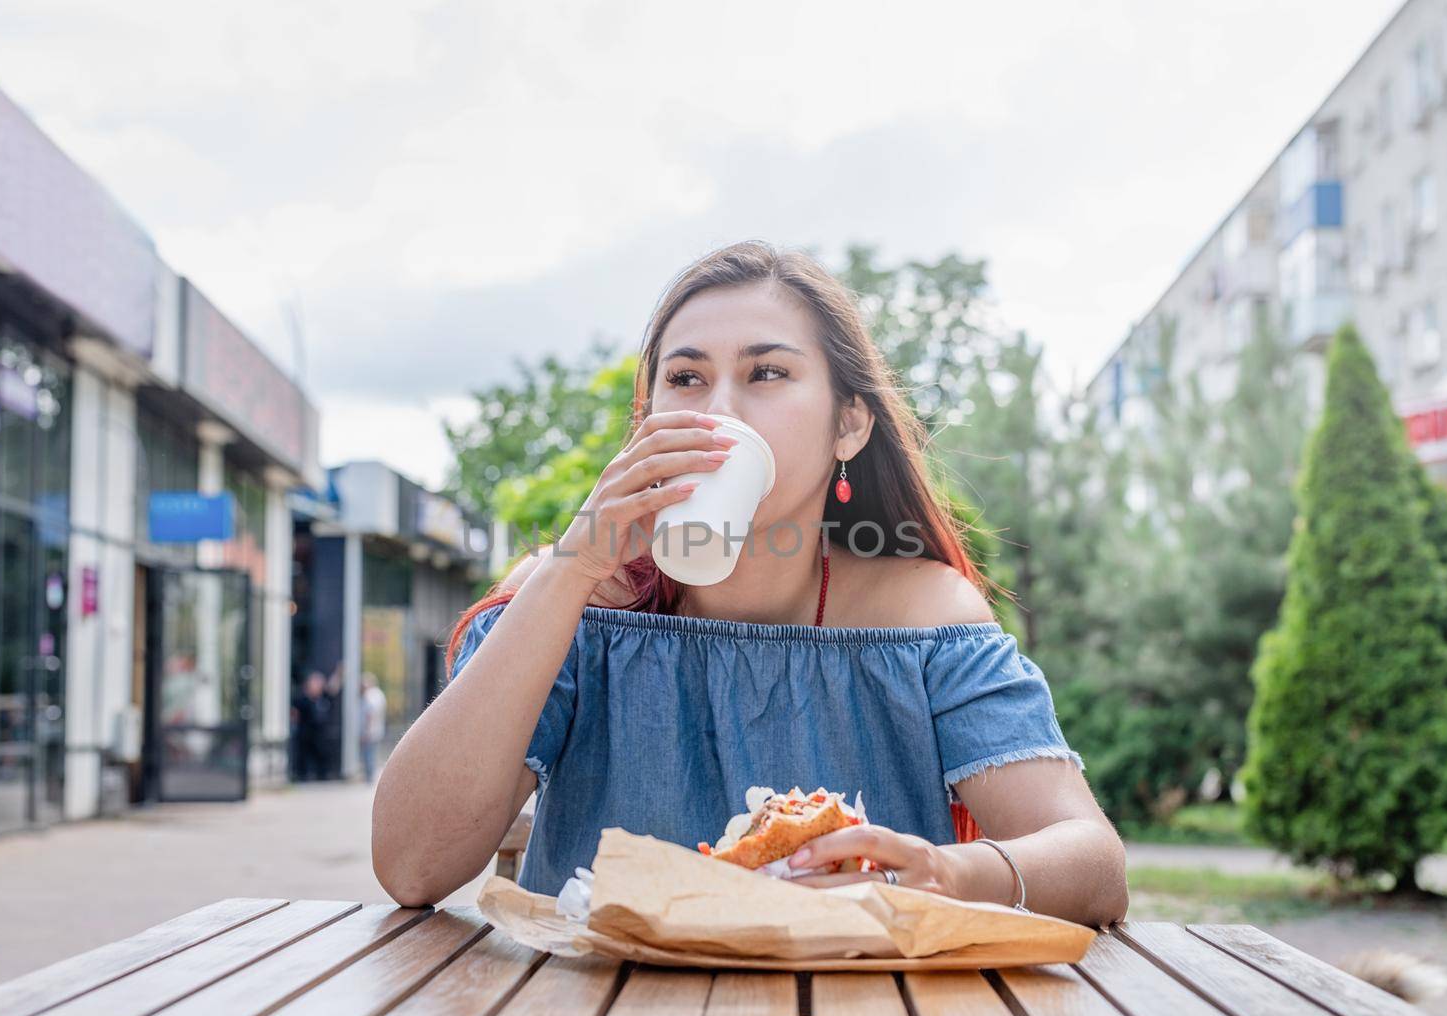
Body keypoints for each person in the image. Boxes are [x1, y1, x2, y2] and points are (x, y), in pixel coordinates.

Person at [372, 240, 1129, 926]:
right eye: (686, 378)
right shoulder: (573, 600)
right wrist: (571, 568)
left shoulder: (924, 617)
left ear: (850, 426)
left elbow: (1094, 867)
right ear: (648, 421)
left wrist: (942, 871)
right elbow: (410, 867)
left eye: (767, 373)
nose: (718, 410)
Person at [290, 672, 328, 782]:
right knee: (303, 755)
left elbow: (332, 688)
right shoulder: (302, 699)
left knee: (321, 753)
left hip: (319, 733)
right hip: (305, 732)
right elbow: (294, 713)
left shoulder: (322, 698)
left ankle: (321, 775)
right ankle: (302, 775)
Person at [360, 672, 388, 783]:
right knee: (372, 753)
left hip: (370, 731)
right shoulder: (380, 694)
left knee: (368, 754)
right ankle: (370, 775)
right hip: (378, 729)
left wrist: (366, 731)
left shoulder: (369, 695)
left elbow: (369, 715)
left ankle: (369, 777)